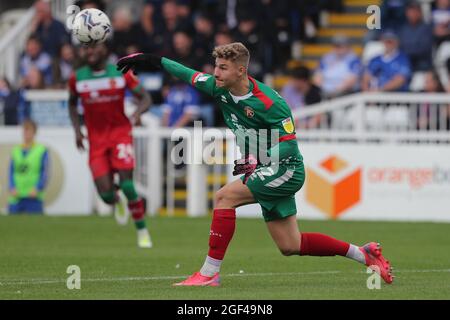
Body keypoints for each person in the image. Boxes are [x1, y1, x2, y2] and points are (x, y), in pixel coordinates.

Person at [117, 42, 394, 286]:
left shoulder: (271, 102)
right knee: (290, 245)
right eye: (216, 66)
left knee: (224, 197)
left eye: (223, 68)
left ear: (241, 70)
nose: (216, 73)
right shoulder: (218, 87)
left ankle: (209, 273)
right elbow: (187, 73)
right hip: (266, 169)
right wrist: (153, 59)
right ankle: (363, 253)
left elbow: (289, 144)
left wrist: (258, 158)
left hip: (285, 168)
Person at [68, 43, 153, 248]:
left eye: (94, 48)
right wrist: (78, 130)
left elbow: (146, 97)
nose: (90, 52)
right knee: (106, 195)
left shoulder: (120, 72)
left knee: (127, 184)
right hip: (96, 140)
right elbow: (71, 103)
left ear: (104, 50)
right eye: (86, 48)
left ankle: (142, 230)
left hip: (120, 134)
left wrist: (138, 113)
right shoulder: (77, 77)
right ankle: (117, 201)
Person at [8, 120, 49, 214]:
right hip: (16, 197)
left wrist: (37, 188)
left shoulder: (41, 150)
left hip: (34, 197)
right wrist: (12, 187)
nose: (26, 133)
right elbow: (11, 171)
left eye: (29, 130)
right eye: (24, 130)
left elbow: (45, 173)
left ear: (34, 132)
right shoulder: (16, 150)